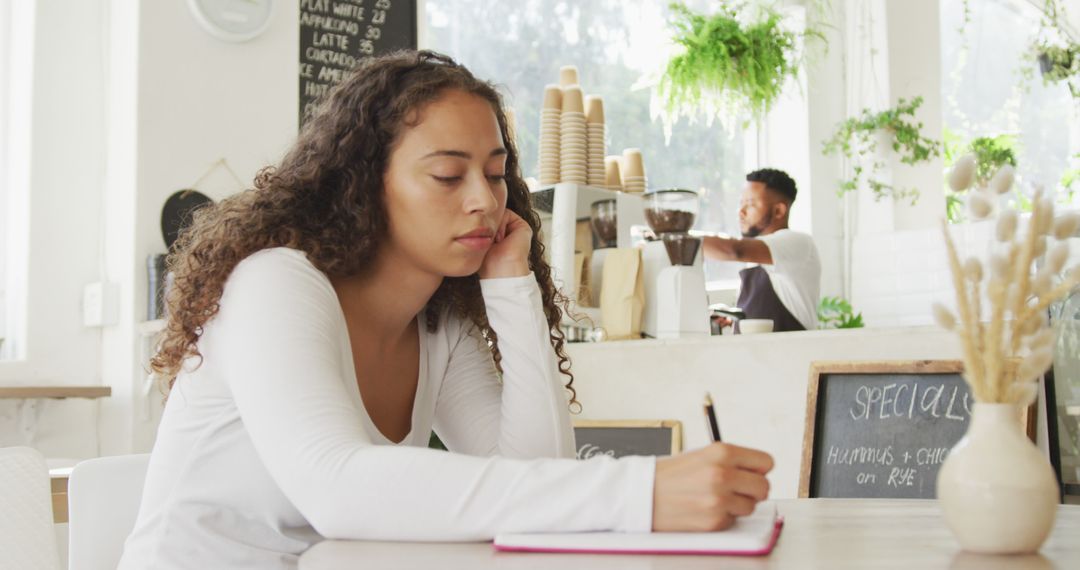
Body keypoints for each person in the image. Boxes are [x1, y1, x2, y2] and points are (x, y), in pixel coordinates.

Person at [117, 51, 774, 570]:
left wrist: (512, 284)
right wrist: (641, 493)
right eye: (447, 176)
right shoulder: (273, 284)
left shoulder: (438, 319)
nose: (486, 202)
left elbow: (531, 479)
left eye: (495, 173)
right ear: (362, 183)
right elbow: (340, 489)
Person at [703, 169, 821, 332]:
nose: (741, 212)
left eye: (750, 204)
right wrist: (735, 320)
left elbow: (735, 250)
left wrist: (677, 239)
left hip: (790, 355)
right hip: (757, 355)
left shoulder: (797, 242)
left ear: (779, 210)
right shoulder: (759, 258)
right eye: (740, 203)